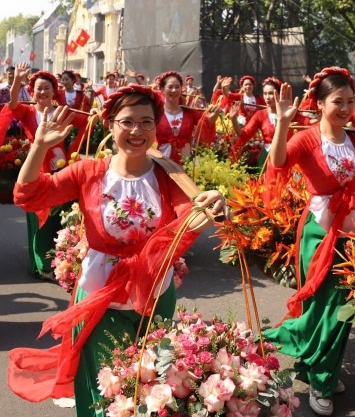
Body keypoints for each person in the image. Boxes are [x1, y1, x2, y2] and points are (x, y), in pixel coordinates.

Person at [7, 84, 229, 416]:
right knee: (107, 385)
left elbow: (189, 221)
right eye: (127, 122)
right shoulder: (88, 172)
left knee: (149, 382)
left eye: (146, 122)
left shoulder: (169, 177)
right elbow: (28, 195)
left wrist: (215, 205)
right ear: (110, 125)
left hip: (154, 296)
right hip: (100, 297)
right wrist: (39, 146)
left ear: (156, 127)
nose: (137, 131)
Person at [263, 67, 355, 416]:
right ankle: (320, 376)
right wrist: (284, 122)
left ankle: (319, 369)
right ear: (319, 104)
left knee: (343, 308)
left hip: (352, 229)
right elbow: (278, 161)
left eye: (350, 101)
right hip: (318, 232)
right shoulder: (308, 139)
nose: (345, 108)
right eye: (337, 102)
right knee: (324, 307)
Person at [5, 62, 92, 279]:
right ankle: (41, 264)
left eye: (47, 88)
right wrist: (17, 80)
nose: (42, 92)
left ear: (54, 92)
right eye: (38, 88)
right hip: (37, 169)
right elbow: (13, 103)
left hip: (61, 169)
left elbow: (87, 123)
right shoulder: (27, 112)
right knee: (39, 218)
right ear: (32, 91)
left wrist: (74, 148)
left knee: (59, 218)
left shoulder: (63, 112)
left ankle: (57, 260)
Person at [230, 76, 311, 169]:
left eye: (271, 93)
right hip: (266, 159)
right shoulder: (260, 115)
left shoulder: (288, 112)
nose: (267, 97)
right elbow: (243, 134)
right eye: (265, 94)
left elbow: (308, 123)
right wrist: (233, 120)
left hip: (287, 156)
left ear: (279, 94)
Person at [156, 71, 219, 165]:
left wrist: (216, 114)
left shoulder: (190, 113)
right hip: (161, 165)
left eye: (177, 87)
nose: (174, 90)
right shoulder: (155, 113)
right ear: (162, 89)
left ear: (181, 89)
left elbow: (207, 123)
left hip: (185, 166)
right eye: (170, 87)